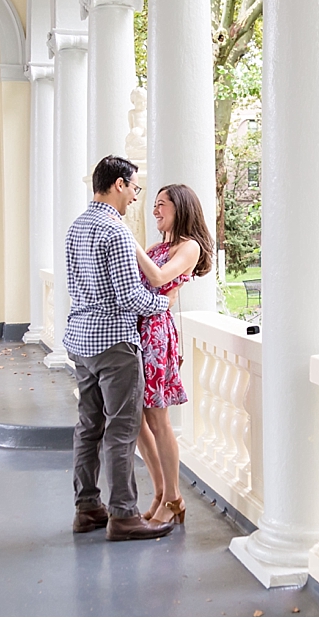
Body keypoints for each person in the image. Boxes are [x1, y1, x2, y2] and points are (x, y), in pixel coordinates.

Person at [66, 155, 176, 541]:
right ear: (118, 185)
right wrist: (164, 304)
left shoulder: (76, 227)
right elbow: (131, 296)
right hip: (114, 344)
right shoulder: (116, 232)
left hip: (81, 342)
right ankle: (125, 516)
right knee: (121, 431)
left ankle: (87, 508)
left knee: (88, 427)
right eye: (133, 187)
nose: (134, 196)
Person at [133, 184, 215, 526]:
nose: (155, 211)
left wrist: (128, 241)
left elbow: (159, 276)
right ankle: (159, 492)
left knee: (158, 419)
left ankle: (174, 498)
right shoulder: (158, 246)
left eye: (161, 205)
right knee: (136, 420)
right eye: (154, 205)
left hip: (156, 334)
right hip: (138, 329)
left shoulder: (189, 247)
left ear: (180, 208)